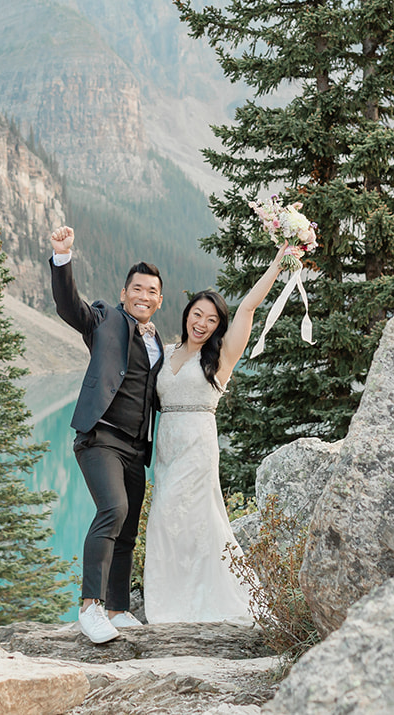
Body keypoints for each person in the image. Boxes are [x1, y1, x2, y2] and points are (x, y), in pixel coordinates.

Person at [143, 247, 290, 624]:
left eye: (211, 319)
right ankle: (170, 603)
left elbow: (248, 309)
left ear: (217, 325)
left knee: (192, 517)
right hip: (167, 447)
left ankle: (206, 603)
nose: (202, 323)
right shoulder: (167, 351)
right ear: (186, 314)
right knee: (165, 519)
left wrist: (278, 263)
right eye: (197, 314)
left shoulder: (220, 357)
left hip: (198, 444)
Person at [49, 224, 165, 644]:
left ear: (159, 299)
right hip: (100, 438)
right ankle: (90, 607)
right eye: (137, 288)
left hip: (135, 446)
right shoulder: (105, 320)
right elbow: (69, 307)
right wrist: (63, 258)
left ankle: (118, 608)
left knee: (129, 526)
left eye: (151, 291)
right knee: (112, 510)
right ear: (123, 293)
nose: (143, 296)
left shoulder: (158, 343)